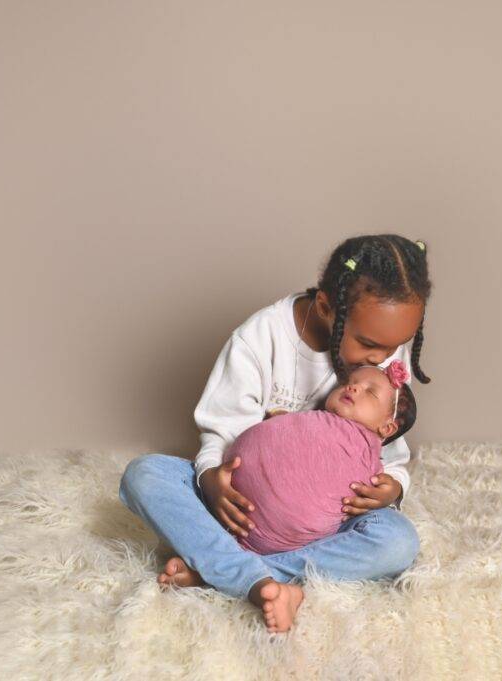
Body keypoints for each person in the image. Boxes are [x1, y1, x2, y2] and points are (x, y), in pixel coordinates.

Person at [119, 234, 433, 633]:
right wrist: (211, 480)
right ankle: (244, 570)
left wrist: (393, 488)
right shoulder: (259, 338)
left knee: (399, 541)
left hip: (321, 520)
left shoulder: (384, 354)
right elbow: (222, 430)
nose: (381, 359)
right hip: (242, 510)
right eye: (370, 345)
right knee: (144, 475)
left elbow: (388, 447)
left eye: (394, 348)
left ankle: (239, 575)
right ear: (324, 306)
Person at [225, 361, 417, 555]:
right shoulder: (307, 420)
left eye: (370, 392)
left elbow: (393, 471)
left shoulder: (369, 461)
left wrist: (391, 490)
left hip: (289, 537)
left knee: (398, 538)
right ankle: (251, 566)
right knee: (193, 474)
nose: (353, 387)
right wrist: (281, 423)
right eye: (349, 382)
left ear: (387, 427)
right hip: (227, 500)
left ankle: (263, 568)